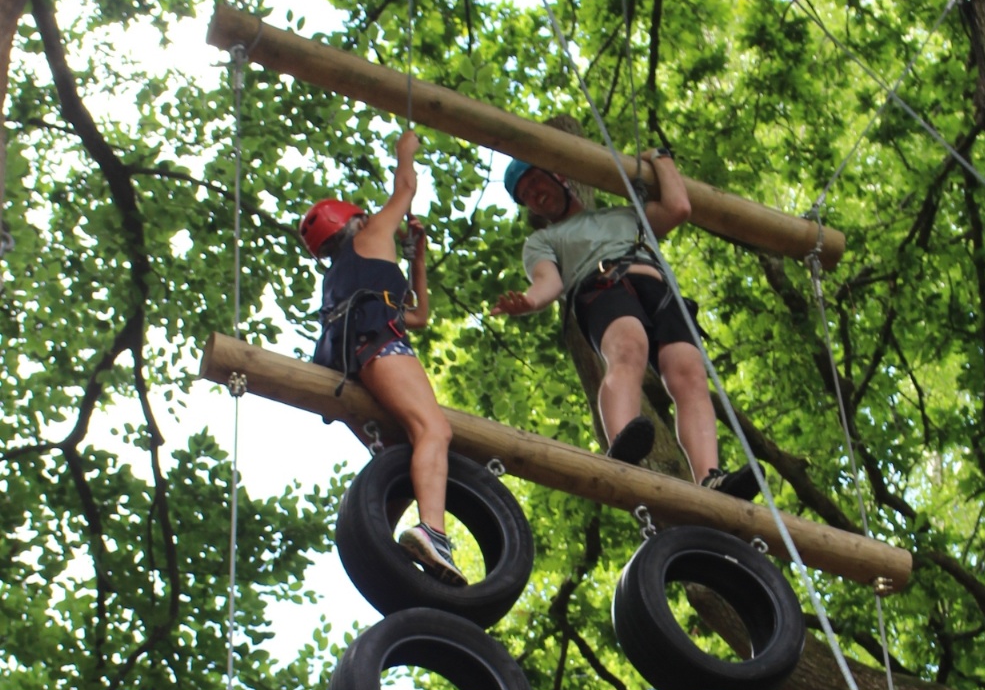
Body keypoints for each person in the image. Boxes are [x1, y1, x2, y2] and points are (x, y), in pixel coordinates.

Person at [489, 149, 757, 497]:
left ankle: (710, 478)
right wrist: (529, 302)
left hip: (659, 290)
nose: (535, 195)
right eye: (526, 195)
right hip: (602, 287)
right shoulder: (543, 240)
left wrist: (660, 159)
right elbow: (547, 282)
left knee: (689, 373)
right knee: (628, 347)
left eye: (537, 182)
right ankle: (621, 448)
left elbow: (678, 208)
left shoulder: (625, 214)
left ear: (560, 176)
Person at [300, 129, 465, 586]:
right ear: (355, 221)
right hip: (380, 349)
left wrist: (417, 260)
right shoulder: (371, 234)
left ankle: (381, 548)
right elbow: (405, 190)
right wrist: (404, 152)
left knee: (402, 456)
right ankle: (433, 532)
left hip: (346, 365)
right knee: (434, 430)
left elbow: (419, 316)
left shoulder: (340, 277)